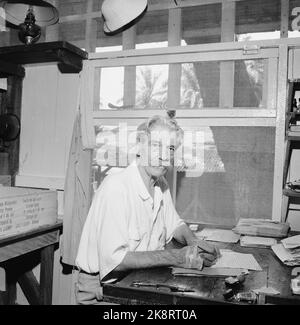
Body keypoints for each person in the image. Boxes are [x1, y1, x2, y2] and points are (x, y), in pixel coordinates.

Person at [75, 115, 219, 305]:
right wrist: (177, 257)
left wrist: (193, 242)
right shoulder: (116, 188)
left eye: (170, 148)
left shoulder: (161, 184)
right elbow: (116, 260)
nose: (163, 156)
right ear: (139, 146)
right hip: (103, 291)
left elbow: (175, 225)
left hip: (138, 283)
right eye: (156, 145)